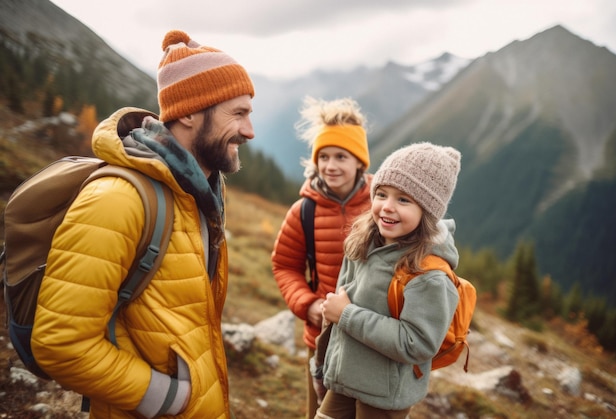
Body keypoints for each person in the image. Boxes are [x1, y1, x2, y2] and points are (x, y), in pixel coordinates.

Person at [30, 30, 254, 418]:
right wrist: (166, 397)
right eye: (238, 114)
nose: (250, 131)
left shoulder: (199, 194)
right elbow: (59, 342)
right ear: (188, 112)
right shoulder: (119, 201)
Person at [316, 142, 462, 419]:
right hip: (342, 380)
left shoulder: (428, 273)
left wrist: (347, 315)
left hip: (383, 399)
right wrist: (322, 365)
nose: (387, 207)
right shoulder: (362, 243)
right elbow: (335, 310)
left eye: (403, 200)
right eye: (381, 194)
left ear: (428, 211)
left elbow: (416, 343)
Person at [271, 96, 373, 418]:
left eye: (341, 156)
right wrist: (308, 305)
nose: (330, 166)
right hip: (323, 340)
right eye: (323, 156)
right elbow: (284, 265)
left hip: (373, 340)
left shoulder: (381, 206)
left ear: (360, 162)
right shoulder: (305, 210)